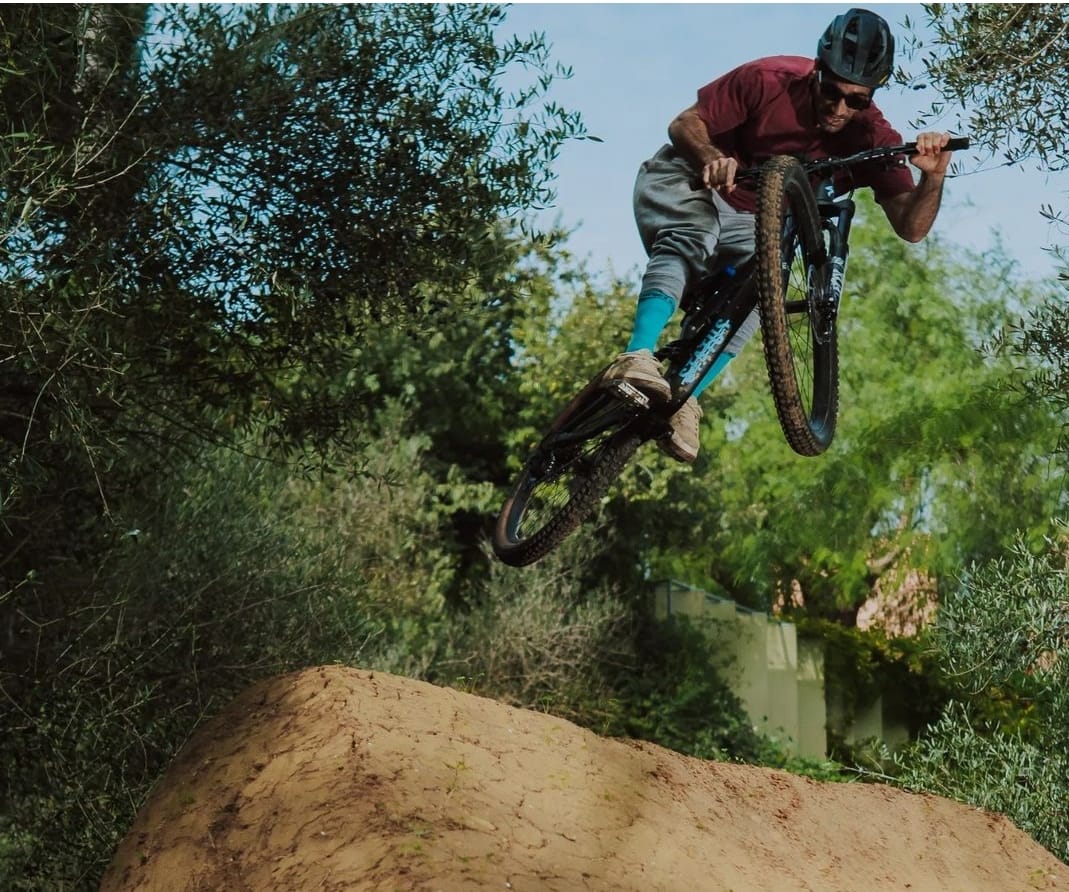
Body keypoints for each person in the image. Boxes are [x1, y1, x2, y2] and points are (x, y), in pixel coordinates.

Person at [602, 8, 955, 463]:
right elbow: (683, 123)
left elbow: (911, 227)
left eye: (857, 100)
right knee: (691, 237)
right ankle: (636, 355)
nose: (840, 109)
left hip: (751, 224)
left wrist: (933, 178)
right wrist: (712, 155)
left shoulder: (872, 136)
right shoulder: (768, 79)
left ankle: (686, 396)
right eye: (832, 92)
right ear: (817, 72)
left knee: (760, 294)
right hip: (691, 181)